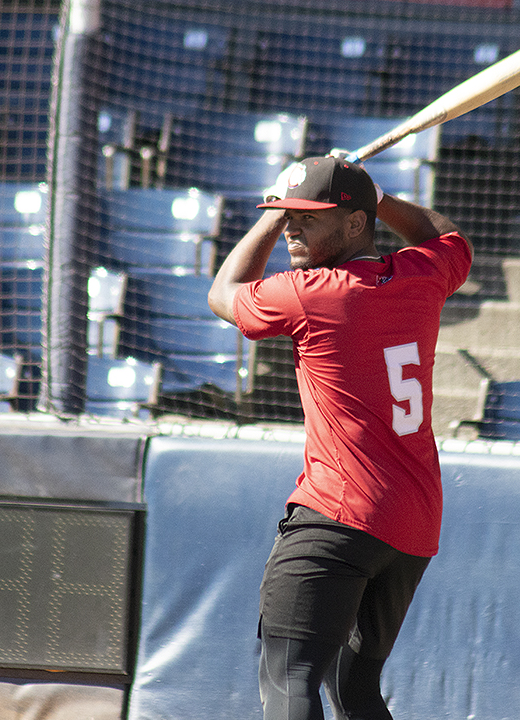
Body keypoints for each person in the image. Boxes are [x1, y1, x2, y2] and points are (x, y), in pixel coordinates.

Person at [207, 155, 473, 720]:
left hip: (337, 513)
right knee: (355, 690)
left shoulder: (312, 293)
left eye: (308, 218)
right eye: (289, 218)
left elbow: (224, 292)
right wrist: (379, 197)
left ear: (355, 224)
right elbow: (447, 238)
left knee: (289, 679)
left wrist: (267, 215)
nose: (292, 229)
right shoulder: (421, 275)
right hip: (412, 523)